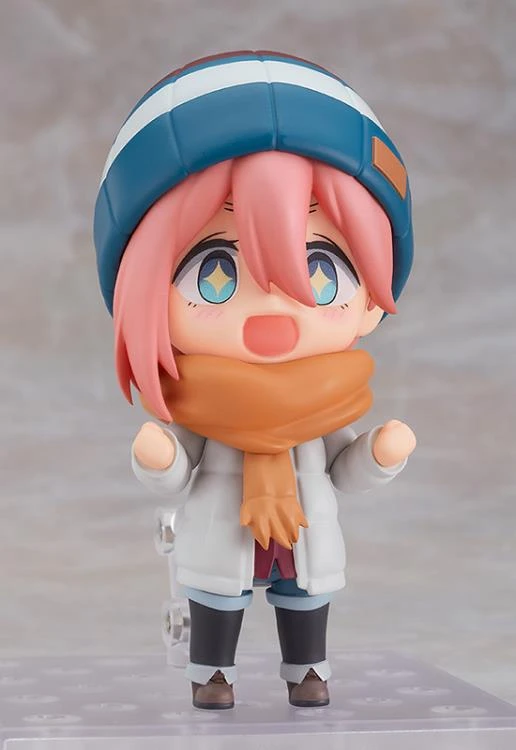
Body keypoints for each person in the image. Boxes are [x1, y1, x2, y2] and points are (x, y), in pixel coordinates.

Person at [93, 50, 416, 710]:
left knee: (306, 598)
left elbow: (343, 471)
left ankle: (308, 669)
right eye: (214, 273)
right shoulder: (197, 410)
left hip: (303, 534)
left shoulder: (326, 411)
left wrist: (380, 456)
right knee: (217, 597)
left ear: (371, 303)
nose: (273, 310)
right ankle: (212, 672)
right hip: (223, 532)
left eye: (320, 270)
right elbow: (177, 470)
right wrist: (157, 458)